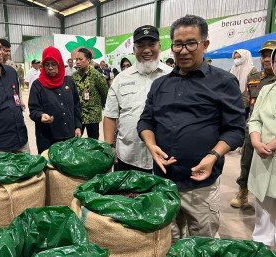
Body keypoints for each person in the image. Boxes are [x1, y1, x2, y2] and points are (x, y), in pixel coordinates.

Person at [137, 15, 245, 242]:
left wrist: (213, 156)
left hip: (200, 186)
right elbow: (146, 121)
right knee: (169, 242)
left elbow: (235, 130)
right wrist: (151, 145)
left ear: (205, 44)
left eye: (191, 43)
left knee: (202, 245)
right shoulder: (161, 84)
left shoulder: (223, 82)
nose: (183, 50)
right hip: (164, 182)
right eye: (178, 44)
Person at [104, 25, 172, 173]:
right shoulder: (121, 79)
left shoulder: (172, 76)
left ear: (159, 47)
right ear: (134, 50)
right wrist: (109, 146)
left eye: (151, 45)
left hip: (165, 157)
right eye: (140, 45)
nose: (146, 50)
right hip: (129, 157)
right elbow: (110, 115)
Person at [230, 41, 276, 208]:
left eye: (270, 55)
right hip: (254, 128)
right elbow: (246, 101)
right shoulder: (254, 78)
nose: (266, 59)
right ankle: (243, 191)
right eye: (263, 55)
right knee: (247, 160)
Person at [28, 47, 82, 154]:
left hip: (69, 136)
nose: (50, 67)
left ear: (60, 63)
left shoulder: (69, 82)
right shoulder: (37, 85)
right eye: (46, 65)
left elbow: (76, 106)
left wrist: (78, 126)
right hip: (48, 138)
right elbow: (33, 110)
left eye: (54, 64)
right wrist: (40, 115)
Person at [247, 48, 276, 248]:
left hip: (270, 150)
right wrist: (256, 141)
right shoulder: (267, 89)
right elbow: (254, 119)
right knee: (263, 210)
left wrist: (273, 144)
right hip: (263, 156)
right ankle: (262, 250)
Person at [72, 48, 108, 140]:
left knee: (94, 143)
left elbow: (105, 94)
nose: (78, 62)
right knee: (75, 142)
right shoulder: (74, 76)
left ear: (88, 60)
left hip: (93, 116)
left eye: (81, 59)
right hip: (78, 116)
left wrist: (96, 105)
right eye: (77, 59)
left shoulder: (96, 76)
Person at [230, 49, 258, 119]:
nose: (236, 60)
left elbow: (254, 90)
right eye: (235, 58)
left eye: (239, 57)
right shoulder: (232, 69)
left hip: (245, 104)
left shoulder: (252, 70)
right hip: (232, 102)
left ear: (245, 57)